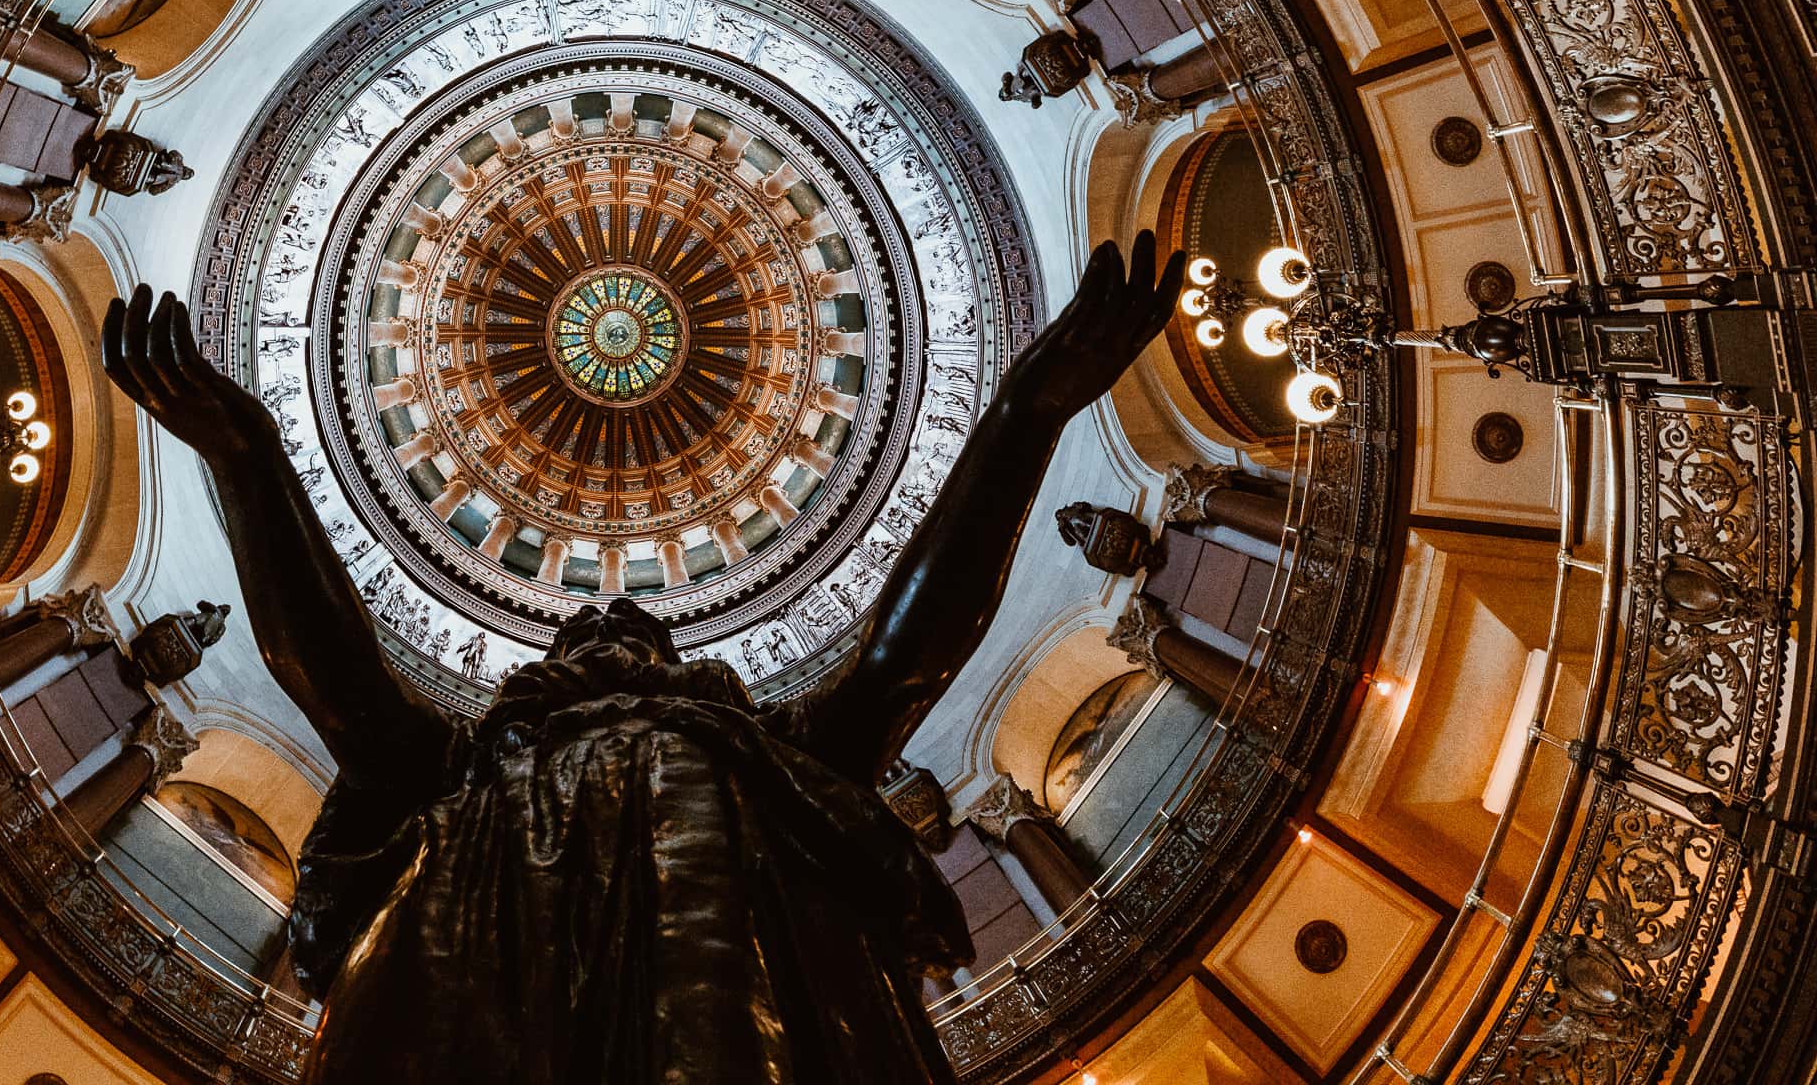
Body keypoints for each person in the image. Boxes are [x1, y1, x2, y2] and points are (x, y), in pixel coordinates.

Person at [101, 233, 1184, 1084]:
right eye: (592, 627)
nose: (613, 619)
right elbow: (333, 673)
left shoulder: (768, 752)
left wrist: (1021, 413)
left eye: (634, 627)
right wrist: (244, 455)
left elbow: (907, 652)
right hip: (467, 988)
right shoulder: (471, 760)